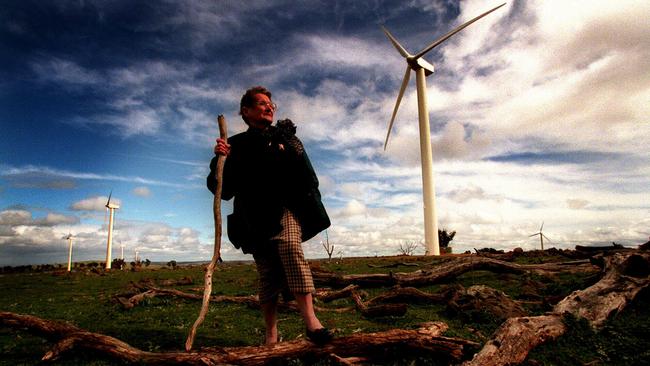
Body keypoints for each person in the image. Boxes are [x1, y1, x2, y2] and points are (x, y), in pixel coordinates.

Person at [207, 86, 333, 345]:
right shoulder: (235, 145)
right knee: (267, 273)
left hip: (286, 208)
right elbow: (222, 188)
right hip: (252, 217)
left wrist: (288, 156)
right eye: (262, 103)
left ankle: (312, 323)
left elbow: (308, 177)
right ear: (246, 110)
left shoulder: (286, 137)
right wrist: (221, 159)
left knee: (289, 246)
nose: (269, 107)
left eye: (271, 105)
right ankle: (271, 334)